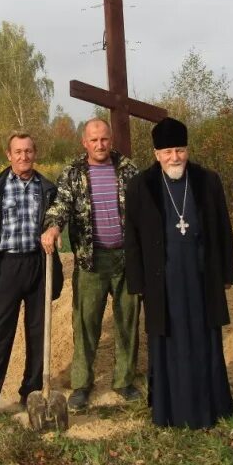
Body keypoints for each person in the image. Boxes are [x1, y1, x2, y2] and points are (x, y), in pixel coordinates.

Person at [124, 117, 233, 429]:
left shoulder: (207, 180)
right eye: (168, 152)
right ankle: (170, 410)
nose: (175, 157)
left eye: (180, 150)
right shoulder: (140, 186)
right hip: (163, 280)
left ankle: (211, 405)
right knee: (168, 341)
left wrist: (227, 272)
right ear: (156, 154)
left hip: (202, 277)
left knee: (205, 338)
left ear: (187, 150)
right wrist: (137, 282)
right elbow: (131, 237)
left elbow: (223, 229)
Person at [40, 118, 140, 410]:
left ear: (111, 140)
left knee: (128, 323)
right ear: (84, 143)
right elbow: (61, 205)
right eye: (94, 140)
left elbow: (147, 208)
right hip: (90, 260)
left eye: (104, 139)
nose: (100, 145)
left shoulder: (129, 170)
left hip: (127, 259)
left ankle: (124, 381)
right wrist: (53, 227)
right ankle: (82, 384)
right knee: (85, 323)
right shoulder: (73, 173)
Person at [0, 131, 62, 435]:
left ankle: (31, 393)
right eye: (18, 152)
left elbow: (56, 222)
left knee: (38, 332)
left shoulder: (47, 188)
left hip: (38, 264)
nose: (24, 157)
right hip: (6, 267)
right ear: (9, 156)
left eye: (29, 151)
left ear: (35, 154)